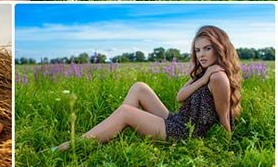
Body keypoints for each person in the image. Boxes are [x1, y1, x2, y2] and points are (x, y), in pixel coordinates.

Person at [57, 29, 240, 154]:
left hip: (184, 134)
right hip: (178, 121)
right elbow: (179, 97)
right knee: (140, 88)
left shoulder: (218, 78)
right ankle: (113, 130)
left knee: (125, 112)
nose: (201, 55)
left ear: (220, 48)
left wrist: (228, 146)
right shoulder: (207, 73)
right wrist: (203, 77)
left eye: (207, 49)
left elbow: (224, 116)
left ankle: (75, 146)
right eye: (198, 50)